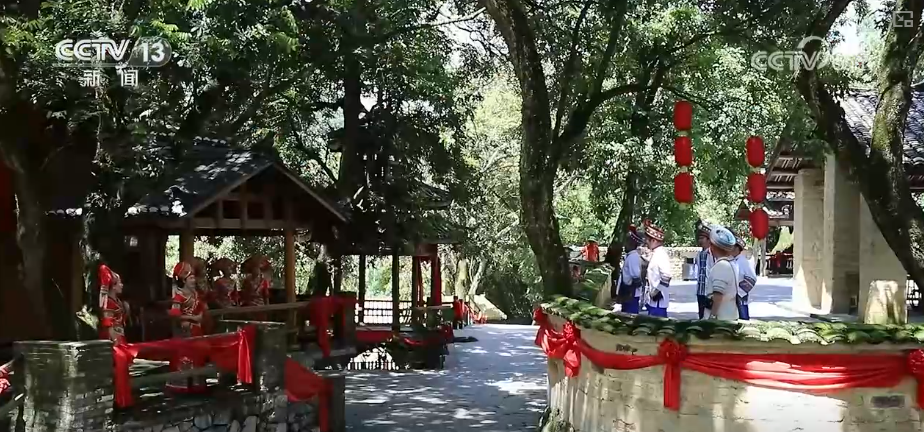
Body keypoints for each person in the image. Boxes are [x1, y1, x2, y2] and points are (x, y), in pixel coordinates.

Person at [168, 261, 207, 393]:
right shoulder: (179, 297)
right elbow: (175, 315)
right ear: (184, 280)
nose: (193, 281)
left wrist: (199, 316)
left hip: (196, 329)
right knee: (184, 357)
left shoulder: (195, 294)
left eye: (194, 278)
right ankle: (181, 385)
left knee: (198, 355)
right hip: (184, 330)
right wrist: (192, 318)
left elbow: (201, 308)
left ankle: (197, 384)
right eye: (191, 278)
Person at [704, 226, 739, 321]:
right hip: (730, 315)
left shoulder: (721, 266)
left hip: (721, 319)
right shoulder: (731, 263)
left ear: (712, 246)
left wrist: (712, 317)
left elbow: (718, 295)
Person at [643, 220, 672, 317]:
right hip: (654, 302)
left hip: (659, 302)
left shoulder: (661, 255)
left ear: (654, 241)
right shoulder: (656, 254)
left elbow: (666, 276)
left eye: (648, 240)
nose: (646, 242)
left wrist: (656, 292)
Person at [614, 225, 645, 314]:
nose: (625, 245)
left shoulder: (633, 257)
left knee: (630, 315)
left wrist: (630, 291)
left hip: (630, 294)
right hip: (628, 293)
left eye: (627, 242)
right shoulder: (631, 256)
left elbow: (636, 276)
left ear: (631, 243)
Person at [98, 264, 129, 344]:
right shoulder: (108, 303)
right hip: (112, 338)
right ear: (114, 287)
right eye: (120, 283)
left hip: (119, 336)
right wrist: (115, 342)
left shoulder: (118, 301)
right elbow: (108, 325)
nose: (122, 285)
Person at [731, 234, 757, 320]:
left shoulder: (743, 261)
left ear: (737, 248)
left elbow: (752, 277)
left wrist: (740, 290)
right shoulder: (732, 260)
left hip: (740, 294)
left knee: (743, 316)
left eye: (732, 247)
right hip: (731, 294)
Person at [695, 221, 715, 319]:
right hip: (700, 291)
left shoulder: (713, 254)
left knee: (708, 317)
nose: (700, 241)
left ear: (708, 240)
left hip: (709, 292)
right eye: (699, 238)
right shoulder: (699, 254)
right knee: (701, 316)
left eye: (702, 238)